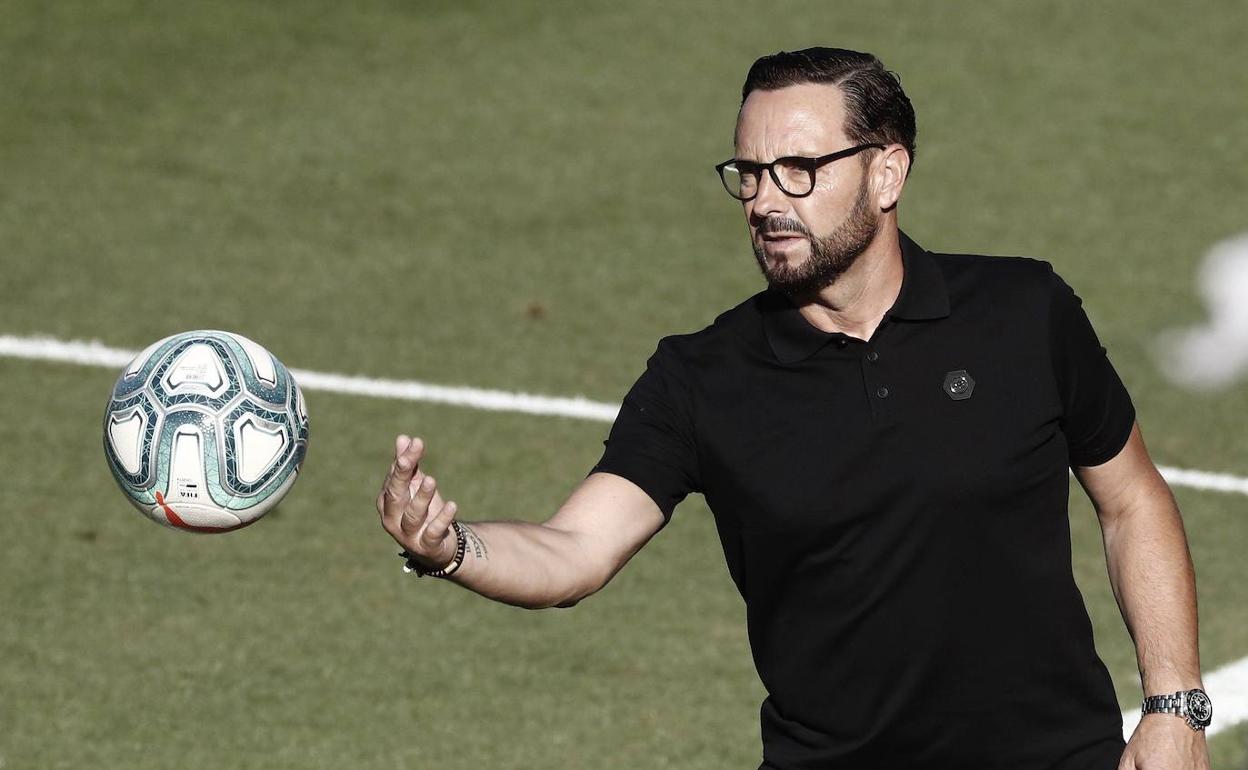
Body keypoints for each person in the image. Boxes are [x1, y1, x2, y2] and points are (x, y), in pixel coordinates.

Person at [375, 47, 1211, 770]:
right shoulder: (700, 378)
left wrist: (1174, 707)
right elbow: (574, 551)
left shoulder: (1023, 312)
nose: (768, 201)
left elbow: (1131, 497)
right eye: (750, 173)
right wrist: (455, 548)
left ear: (887, 172)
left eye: (800, 171)